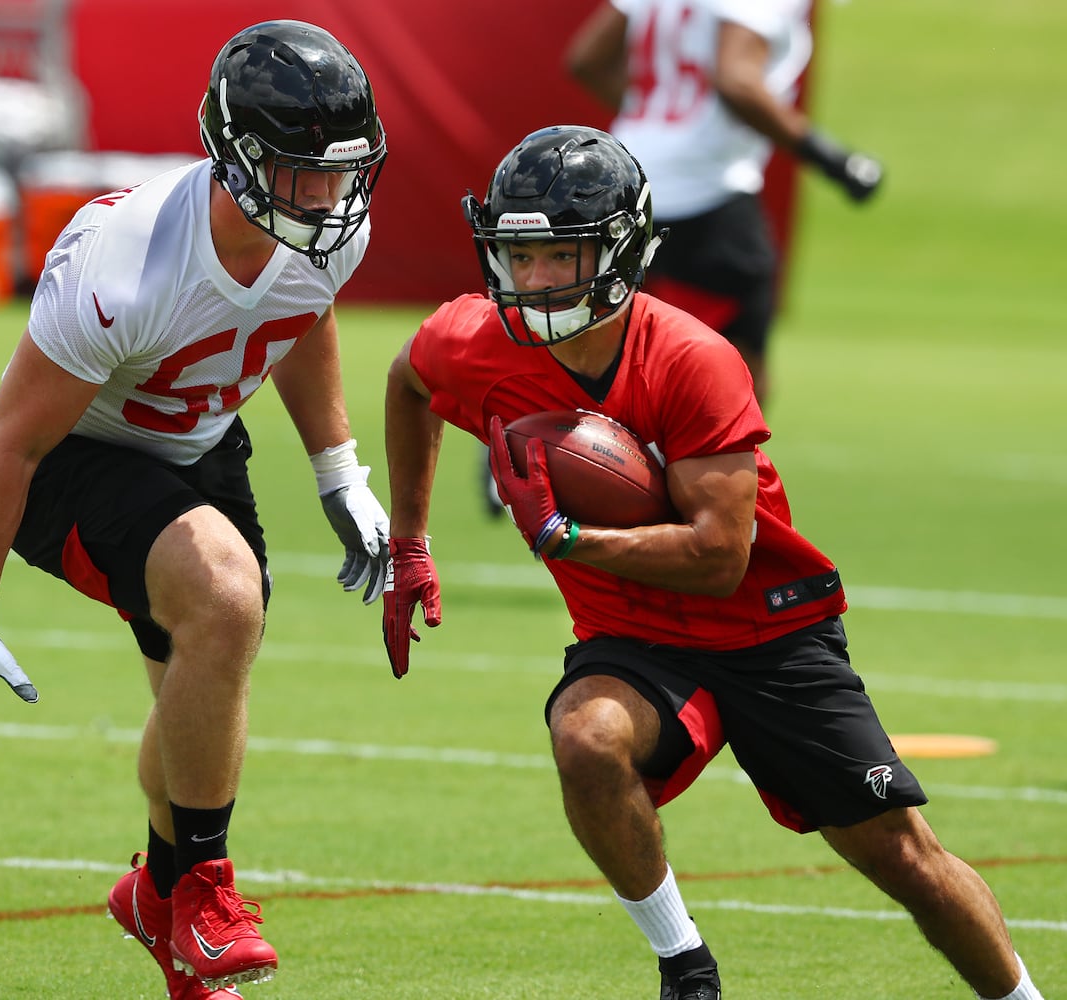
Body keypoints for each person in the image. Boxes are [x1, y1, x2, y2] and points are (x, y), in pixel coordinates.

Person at [382, 125, 1044, 1000]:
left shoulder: (691, 358)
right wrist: (410, 542)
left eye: (560, 256)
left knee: (903, 860)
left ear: (618, 253)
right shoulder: (474, 342)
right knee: (585, 739)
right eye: (518, 254)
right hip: (632, 633)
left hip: (770, 629)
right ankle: (684, 967)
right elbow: (409, 382)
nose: (534, 280)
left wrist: (568, 540)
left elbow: (719, 558)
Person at [0, 20, 389, 1000]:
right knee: (225, 603)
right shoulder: (124, 259)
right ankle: (206, 891)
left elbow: (299, 312)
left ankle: (163, 903)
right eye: (297, 172)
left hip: (199, 449)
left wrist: (339, 469)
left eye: (338, 173)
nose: (325, 197)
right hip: (74, 454)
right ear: (232, 158)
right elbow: (10, 441)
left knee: (200, 691)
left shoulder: (328, 222)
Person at [565, 0, 883, 407]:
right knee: (733, 381)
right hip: (706, 194)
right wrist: (834, 160)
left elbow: (586, 60)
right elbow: (736, 79)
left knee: (618, 356)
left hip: (626, 184)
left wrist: (657, 118)